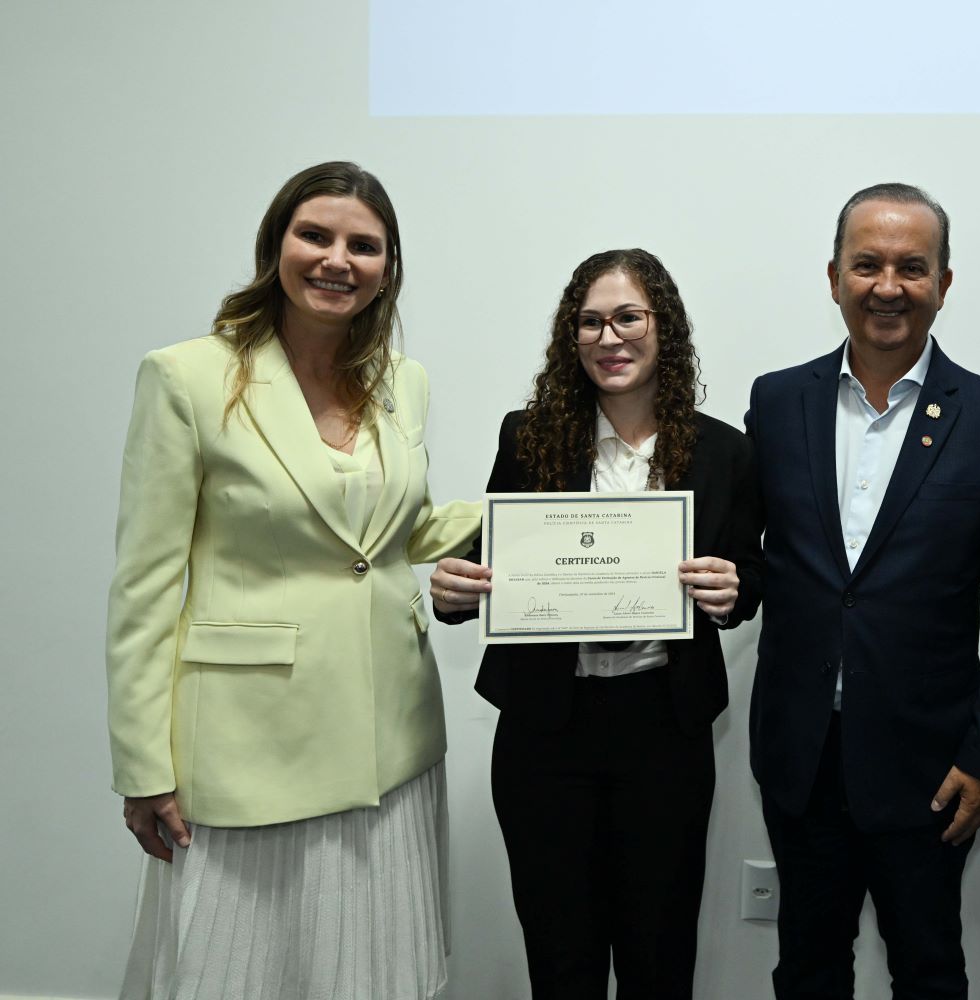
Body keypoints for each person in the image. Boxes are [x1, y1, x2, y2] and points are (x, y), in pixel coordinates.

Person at [106, 161, 480, 1000]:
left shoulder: (401, 384)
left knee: (374, 974)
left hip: (394, 738)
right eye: (316, 235)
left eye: (365, 245)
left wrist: (530, 520)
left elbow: (389, 533)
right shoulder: (186, 378)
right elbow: (144, 583)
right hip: (248, 745)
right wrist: (142, 764)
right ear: (276, 244)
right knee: (230, 972)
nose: (337, 259)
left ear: (388, 267)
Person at [428, 248, 764, 1000]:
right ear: (570, 337)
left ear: (663, 328)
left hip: (664, 730)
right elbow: (488, 565)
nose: (608, 337)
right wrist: (452, 588)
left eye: (628, 317)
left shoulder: (724, 452)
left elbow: (750, 576)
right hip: (548, 731)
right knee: (561, 959)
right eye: (589, 321)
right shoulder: (529, 436)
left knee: (659, 955)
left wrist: (732, 587)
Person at [744, 183, 980, 998]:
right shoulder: (776, 403)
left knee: (928, 966)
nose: (888, 286)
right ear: (834, 276)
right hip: (800, 754)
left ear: (944, 283)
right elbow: (747, 561)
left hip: (931, 766)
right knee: (806, 964)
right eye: (867, 264)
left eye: (912, 267)